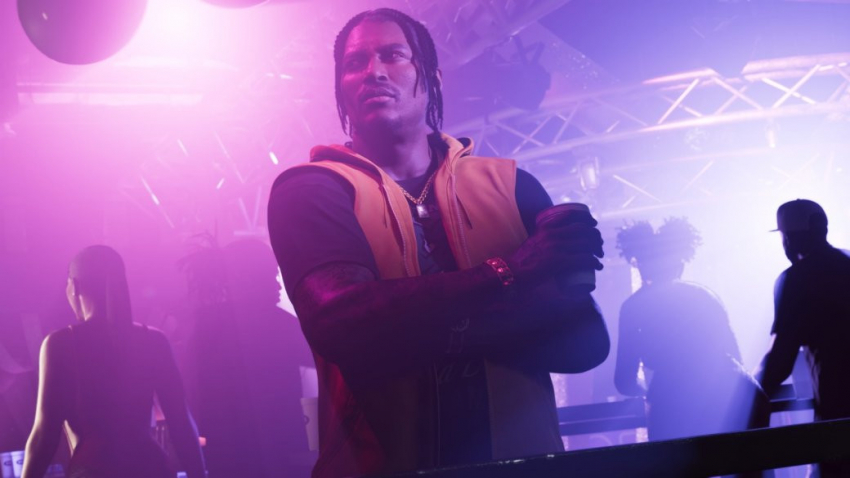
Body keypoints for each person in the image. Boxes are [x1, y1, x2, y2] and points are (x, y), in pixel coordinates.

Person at [267, 8, 610, 478]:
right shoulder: (311, 189)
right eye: (355, 63)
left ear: (431, 76)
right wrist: (509, 274)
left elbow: (584, 344)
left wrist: (413, 330)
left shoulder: (512, 185)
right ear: (341, 87)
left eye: (393, 55)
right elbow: (342, 323)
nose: (373, 72)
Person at [22, 245, 206, 478]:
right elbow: (182, 424)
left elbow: (44, 435)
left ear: (74, 287)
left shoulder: (60, 345)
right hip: (152, 468)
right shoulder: (154, 341)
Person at [613, 218, 769, 441]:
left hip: (677, 406)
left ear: (639, 264)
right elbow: (734, 355)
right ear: (680, 262)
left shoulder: (633, 307)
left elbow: (624, 381)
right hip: (740, 396)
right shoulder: (704, 295)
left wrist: (652, 390)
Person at [756, 199, 850, 477]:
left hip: (839, 420)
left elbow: (780, 361)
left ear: (789, 238)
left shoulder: (795, 279)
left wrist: (749, 389)